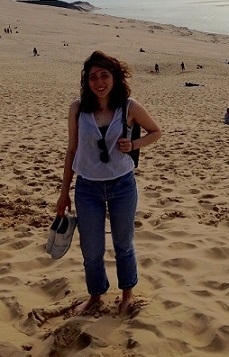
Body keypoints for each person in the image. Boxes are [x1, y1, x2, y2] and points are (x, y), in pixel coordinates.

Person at [56, 50, 162, 316]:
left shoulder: (129, 106)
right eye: (93, 77)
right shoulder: (78, 108)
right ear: (86, 81)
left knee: (123, 243)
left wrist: (134, 144)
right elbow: (71, 150)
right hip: (87, 187)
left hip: (122, 185)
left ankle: (127, 293)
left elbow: (156, 131)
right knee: (91, 249)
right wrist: (63, 193)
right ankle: (96, 295)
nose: (99, 82)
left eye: (104, 75)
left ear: (115, 77)